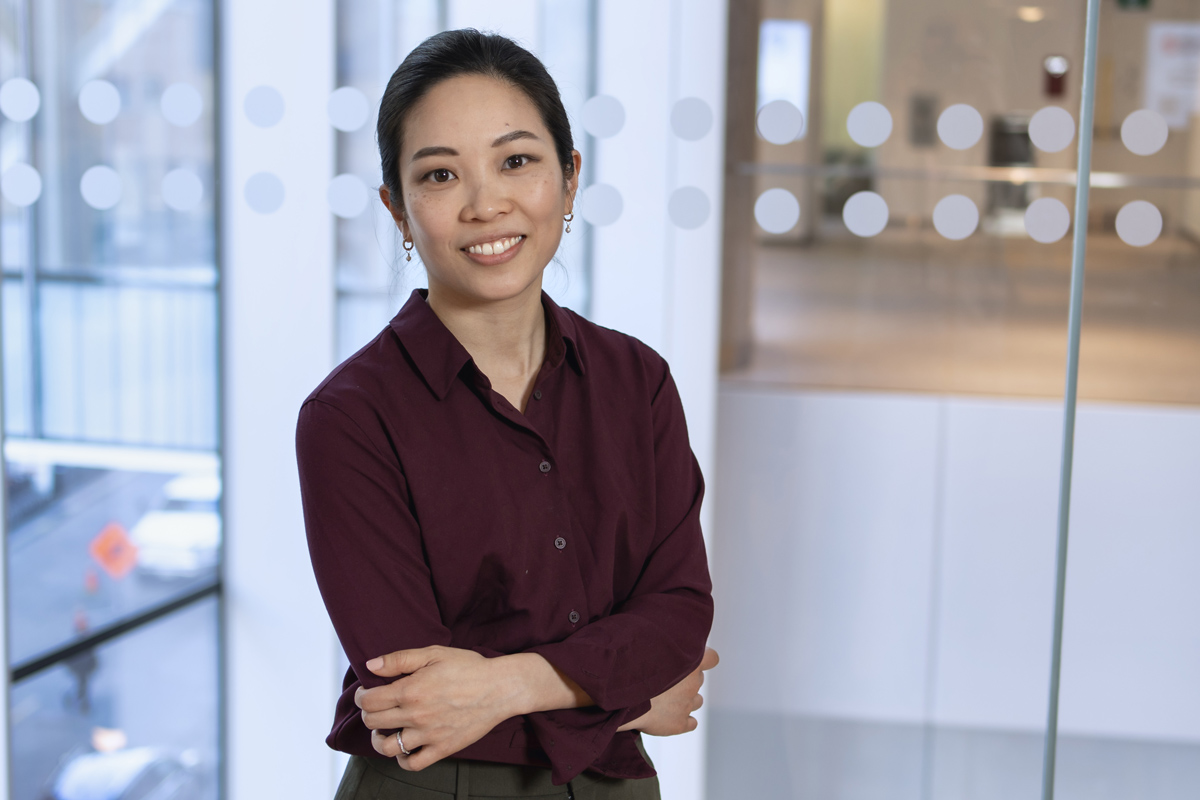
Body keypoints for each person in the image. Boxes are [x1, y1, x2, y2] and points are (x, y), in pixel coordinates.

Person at [296, 28, 717, 800]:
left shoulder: (638, 381)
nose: (487, 203)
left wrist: (512, 686)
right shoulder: (349, 419)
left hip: (613, 787)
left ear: (570, 176)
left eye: (516, 161)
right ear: (397, 209)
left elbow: (680, 614)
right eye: (440, 175)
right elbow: (414, 699)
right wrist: (625, 695)